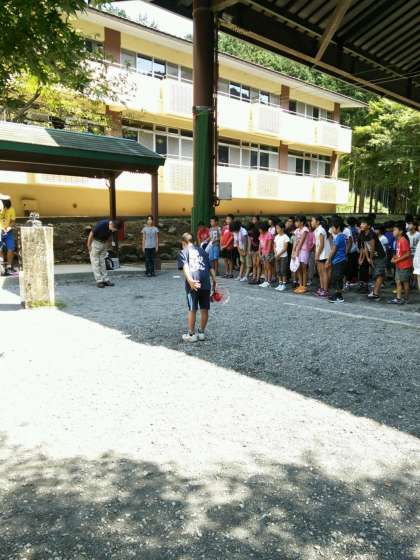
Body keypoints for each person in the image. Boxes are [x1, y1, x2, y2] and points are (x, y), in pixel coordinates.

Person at [177, 232, 217, 343]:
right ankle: (202, 333)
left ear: (183, 242)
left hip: (193, 283)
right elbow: (210, 267)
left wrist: (190, 280)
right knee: (205, 308)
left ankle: (191, 334)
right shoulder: (202, 251)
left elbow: (185, 267)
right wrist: (214, 281)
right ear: (194, 241)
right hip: (206, 283)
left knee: (192, 309)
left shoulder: (183, 252)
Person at [87, 218, 122, 287]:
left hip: (104, 244)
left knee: (103, 262)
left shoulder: (112, 227)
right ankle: (99, 280)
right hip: (96, 243)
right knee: (95, 262)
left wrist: (107, 245)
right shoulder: (102, 224)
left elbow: (109, 237)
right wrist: (88, 245)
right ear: (111, 224)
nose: (113, 231)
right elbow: (91, 233)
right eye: (113, 229)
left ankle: (105, 279)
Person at [362, 220, 387, 301]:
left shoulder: (372, 234)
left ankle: (376, 293)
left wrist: (370, 258)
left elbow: (372, 247)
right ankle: (375, 292)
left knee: (379, 274)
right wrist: (368, 258)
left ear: (369, 226)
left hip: (380, 256)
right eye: (361, 223)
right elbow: (365, 247)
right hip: (373, 257)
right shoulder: (363, 234)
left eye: (364, 223)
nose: (361, 225)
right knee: (376, 274)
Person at [388, 222, 412, 305]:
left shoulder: (403, 240)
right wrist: (394, 257)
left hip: (404, 265)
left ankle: (406, 299)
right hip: (399, 265)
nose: (393, 232)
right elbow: (400, 253)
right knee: (398, 281)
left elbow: (407, 254)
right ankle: (398, 298)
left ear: (401, 231)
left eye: (395, 230)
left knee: (405, 282)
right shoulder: (398, 240)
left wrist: (396, 260)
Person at [326, 218, 347, 303]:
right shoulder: (341, 236)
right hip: (339, 260)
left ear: (337, 228)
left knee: (337, 278)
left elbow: (333, 250)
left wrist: (328, 260)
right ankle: (337, 294)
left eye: (332, 228)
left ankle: (339, 296)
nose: (331, 229)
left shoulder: (339, 237)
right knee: (337, 278)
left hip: (339, 261)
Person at [311, 215, 330, 298]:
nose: (311, 222)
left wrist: (317, 255)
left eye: (312, 221)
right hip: (319, 254)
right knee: (320, 272)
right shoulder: (316, 230)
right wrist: (317, 254)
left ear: (318, 222)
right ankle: (322, 288)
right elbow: (317, 244)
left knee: (324, 272)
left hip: (323, 254)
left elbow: (322, 245)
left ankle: (325, 290)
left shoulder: (321, 230)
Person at [292, 215, 310, 293]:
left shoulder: (305, 229)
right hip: (298, 251)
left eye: (297, 221)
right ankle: (300, 285)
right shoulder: (296, 230)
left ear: (302, 222)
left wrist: (296, 252)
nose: (295, 223)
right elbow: (295, 241)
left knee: (304, 268)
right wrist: (293, 251)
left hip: (304, 250)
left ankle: (304, 286)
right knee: (298, 267)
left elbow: (301, 241)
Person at [0, 196, 16, 276]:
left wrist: (9, 227)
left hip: (8, 231)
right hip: (0, 230)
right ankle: (1, 267)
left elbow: (13, 220)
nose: (5, 209)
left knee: (11, 248)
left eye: (7, 207)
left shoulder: (11, 209)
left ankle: (9, 267)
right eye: (4, 207)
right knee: (0, 249)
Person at [274, 221, 290, 291]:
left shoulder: (285, 237)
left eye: (278, 228)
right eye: (276, 228)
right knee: (278, 270)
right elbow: (274, 246)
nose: (276, 229)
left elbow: (285, 248)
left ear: (282, 228)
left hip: (283, 256)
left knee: (283, 270)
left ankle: (284, 284)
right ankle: (280, 283)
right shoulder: (276, 236)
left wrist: (278, 254)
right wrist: (275, 253)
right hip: (277, 255)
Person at [258, 221, 274, 288]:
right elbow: (260, 244)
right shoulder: (261, 234)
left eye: (260, 229)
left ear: (263, 228)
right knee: (264, 267)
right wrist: (259, 252)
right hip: (263, 253)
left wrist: (267, 254)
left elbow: (270, 246)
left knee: (268, 267)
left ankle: (269, 281)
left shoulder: (269, 234)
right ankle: (265, 280)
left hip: (268, 253)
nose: (259, 230)